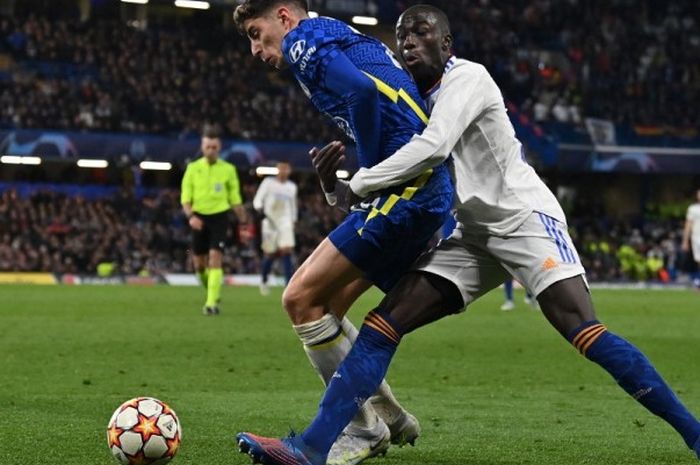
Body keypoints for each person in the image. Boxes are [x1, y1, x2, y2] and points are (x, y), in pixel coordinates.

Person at [235, 5, 700, 465]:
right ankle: (314, 448)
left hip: (525, 220)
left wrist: (358, 183)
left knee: (583, 330)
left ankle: (694, 434)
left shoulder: (468, 79)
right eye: (403, 36)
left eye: (422, 33)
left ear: (446, 44)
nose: (410, 42)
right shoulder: (412, 91)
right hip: (472, 234)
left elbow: (434, 148)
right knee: (382, 326)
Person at [233, 1, 454, 463]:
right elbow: (377, 99)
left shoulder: (303, 42)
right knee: (326, 308)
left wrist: (370, 174)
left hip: (405, 189)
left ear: (284, 16)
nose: (255, 48)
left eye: (257, 32)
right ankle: (389, 417)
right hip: (423, 190)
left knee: (299, 299)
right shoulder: (336, 37)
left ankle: (361, 431)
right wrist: (341, 184)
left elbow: (363, 95)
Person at [180, 124, 247, 315]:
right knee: (199, 265)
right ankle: (212, 289)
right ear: (202, 147)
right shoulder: (192, 169)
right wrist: (191, 216)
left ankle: (211, 304)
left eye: (214, 147)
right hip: (198, 218)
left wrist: (243, 222)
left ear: (220, 147)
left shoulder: (228, 170)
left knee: (215, 257)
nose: (211, 150)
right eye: (207, 147)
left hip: (220, 217)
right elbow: (185, 199)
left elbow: (235, 200)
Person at [253, 161, 298, 296]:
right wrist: (259, 209)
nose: (284, 171)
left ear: (289, 170)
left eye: (286, 168)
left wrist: (293, 220)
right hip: (270, 221)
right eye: (281, 168)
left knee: (287, 250)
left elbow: (293, 205)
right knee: (270, 253)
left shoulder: (292, 187)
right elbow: (258, 199)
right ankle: (264, 280)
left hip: (285, 222)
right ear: (277, 169)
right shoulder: (268, 183)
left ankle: (288, 286)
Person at [682, 188, 700, 290]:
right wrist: (685, 241)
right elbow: (688, 225)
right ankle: (697, 282)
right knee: (698, 261)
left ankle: (697, 282)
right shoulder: (693, 209)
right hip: (697, 238)